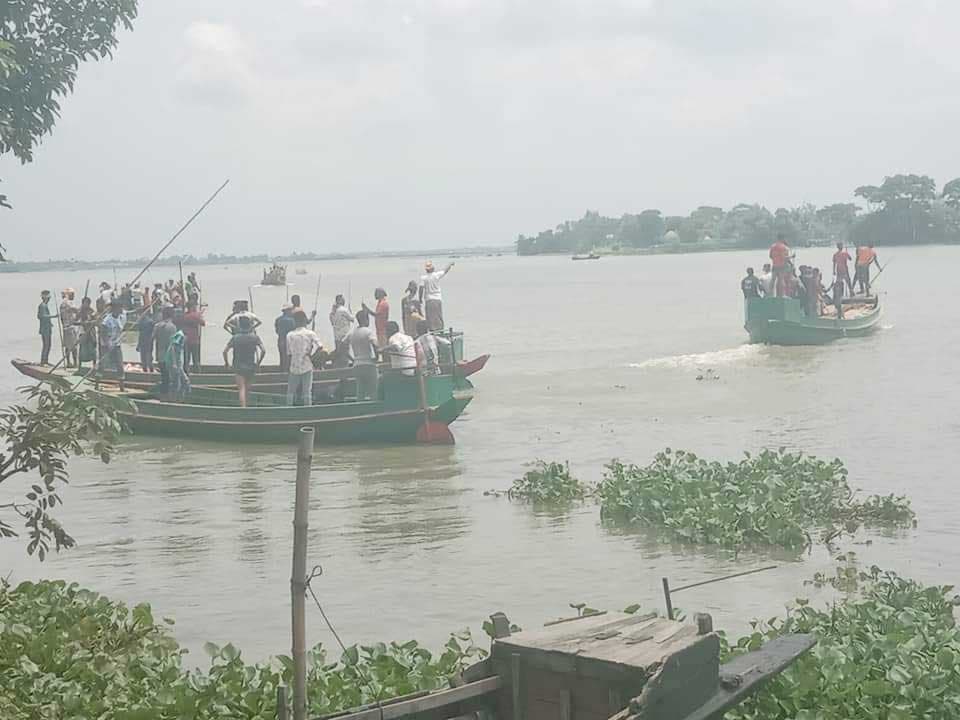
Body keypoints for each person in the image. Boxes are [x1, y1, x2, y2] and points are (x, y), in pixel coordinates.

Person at [223, 316, 265, 408]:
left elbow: (225, 351)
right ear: (250, 325)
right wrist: (258, 363)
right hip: (251, 366)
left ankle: (243, 408)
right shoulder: (255, 337)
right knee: (247, 389)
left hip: (238, 366)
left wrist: (227, 363)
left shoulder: (235, 337)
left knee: (241, 389)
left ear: (239, 325)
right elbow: (263, 350)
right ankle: (247, 407)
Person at [286, 310, 322, 406]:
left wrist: (288, 368)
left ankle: (288, 409)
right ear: (304, 320)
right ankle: (308, 410)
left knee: (290, 392)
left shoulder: (289, 335)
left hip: (294, 366)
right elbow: (320, 346)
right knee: (307, 391)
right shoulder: (310, 333)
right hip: (307, 364)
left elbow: (289, 354)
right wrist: (312, 356)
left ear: (295, 321)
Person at [346, 310, 379, 400]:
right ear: (366, 319)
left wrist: (353, 359)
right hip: (368, 364)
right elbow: (375, 345)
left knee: (360, 391)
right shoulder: (368, 332)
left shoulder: (351, 333)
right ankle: (374, 409)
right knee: (374, 390)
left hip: (356, 365)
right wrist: (377, 357)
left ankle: (360, 409)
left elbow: (343, 348)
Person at [419, 261, 454, 331]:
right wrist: (450, 264)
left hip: (428, 299)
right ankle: (440, 330)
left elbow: (421, 289)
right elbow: (445, 270)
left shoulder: (423, 278)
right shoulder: (436, 275)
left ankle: (432, 330)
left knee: (430, 317)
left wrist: (420, 298)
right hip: (437, 299)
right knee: (438, 316)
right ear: (433, 268)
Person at [153, 306, 179, 392]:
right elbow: (172, 345)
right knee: (170, 379)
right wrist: (175, 362)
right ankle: (168, 397)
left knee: (164, 377)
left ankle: (163, 395)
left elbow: (153, 340)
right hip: (169, 357)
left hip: (160, 355)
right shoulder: (172, 327)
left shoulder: (157, 326)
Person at [99, 299, 126, 375]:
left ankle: (121, 386)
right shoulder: (107, 320)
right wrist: (108, 344)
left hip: (116, 345)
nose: (121, 309)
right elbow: (103, 333)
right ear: (115, 308)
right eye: (120, 307)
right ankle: (97, 383)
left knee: (120, 366)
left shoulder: (121, 317)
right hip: (106, 346)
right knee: (103, 365)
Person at [178, 300, 205, 373]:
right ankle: (197, 373)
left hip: (186, 339)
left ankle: (186, 373)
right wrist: (200, 315)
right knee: (196, 359)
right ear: (192, 307)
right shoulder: (195, 315)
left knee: (186, 358)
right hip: (194, 340)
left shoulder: (184, 315)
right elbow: (203, 323)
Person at [164, 329, 191, 401]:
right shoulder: (180, 336)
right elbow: (173, 348)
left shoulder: (180, 336)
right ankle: (173, 400)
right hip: (173, 363)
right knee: (176, 383)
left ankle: (182, 399)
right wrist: (174, 363)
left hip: (178, 364)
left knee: (185, 381)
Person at [329, 295, 354, 368]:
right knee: (345, 355)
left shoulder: (333, 312)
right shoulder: (344, 310)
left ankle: (338, 369)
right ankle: (344, 371)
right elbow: (352, 319)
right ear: (339, 300)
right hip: (344, 336)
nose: (344, 301)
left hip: (336, 337)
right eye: (343, 299)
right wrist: (350, 311)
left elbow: (332, 322)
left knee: (339, 354)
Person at [60, 288, 80, 368]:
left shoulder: (62, 303)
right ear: (69, 294)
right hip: (70, 327)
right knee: (73, 346)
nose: (74, 296)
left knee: (67, 346)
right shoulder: (67, 302)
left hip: (65, 326)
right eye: (73, 294)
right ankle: (75, 363)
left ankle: (69, 362)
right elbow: (76, 310)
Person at [275, 304, 296, 373]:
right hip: (289, 341)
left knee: (282, 357)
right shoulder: (292, 320)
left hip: (280, 340)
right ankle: (287, 374)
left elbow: (277, 331)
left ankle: (282, 372)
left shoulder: (278, 319)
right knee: (289, 359)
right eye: (291, 310)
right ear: (287, 311)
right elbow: (294, 331)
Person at [136, 305, 157, 372]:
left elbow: (152, 333)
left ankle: (150, 370)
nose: (139, 315)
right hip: (144, 341)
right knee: (144, 358)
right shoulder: (142, 321)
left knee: (148, 357)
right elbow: (141, 334)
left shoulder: (149, 322)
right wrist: (138, 344)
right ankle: (146, 370)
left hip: (148, 341)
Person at [77, 297, 97, 368]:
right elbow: (75, 321)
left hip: (91, 332)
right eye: (85, 303)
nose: (86, 305)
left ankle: (94, 366)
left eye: (88, 303)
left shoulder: (92, 311)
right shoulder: (80, 311)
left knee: (93, 350)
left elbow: (96, 321)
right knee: (82, 349)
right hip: (83, 332)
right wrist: (82, 323)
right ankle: (79, 366)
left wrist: (91, 321)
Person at [37, 290, 55, 365]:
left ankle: (45, 361)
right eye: (48, 298)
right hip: (45, 329)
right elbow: (42, 316)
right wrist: (53, 316)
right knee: (46, 345)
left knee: (48, 345)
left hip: (47, 328)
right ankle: (43, 361)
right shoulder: (42, 306)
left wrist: (50, 323)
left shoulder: (44, 305)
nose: (49, 299)